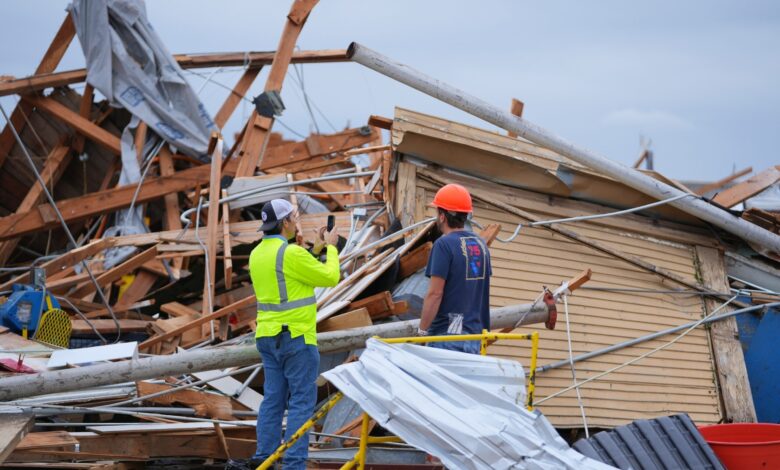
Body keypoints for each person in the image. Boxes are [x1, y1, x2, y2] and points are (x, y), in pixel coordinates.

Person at [244, 199, 340, 470]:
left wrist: (316, 248)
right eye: (294, 217)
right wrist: (331, 248)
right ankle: (294, 465)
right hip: (296, 337)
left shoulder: (257, 254)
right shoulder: (291, 253)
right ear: (285, 222)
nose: (297, 221)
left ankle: (264, 460)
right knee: (300, 402)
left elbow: (290, 275)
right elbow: (330, 277)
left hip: (267, 336)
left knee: (273, 400)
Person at [417, 184, 492, 354]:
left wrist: (422, 333)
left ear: (442, 216)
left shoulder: (443, 244)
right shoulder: (481, 246)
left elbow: (435, 294)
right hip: (474, 338)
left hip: (447, 337)